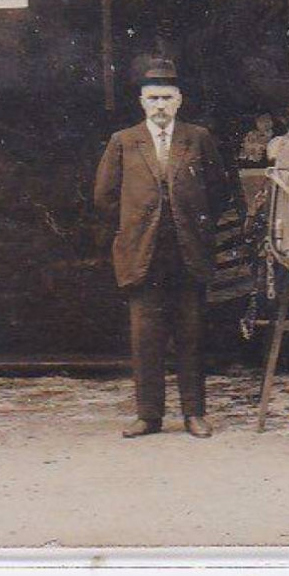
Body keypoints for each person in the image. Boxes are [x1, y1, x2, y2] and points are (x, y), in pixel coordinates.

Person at [93, 58, 232, 438]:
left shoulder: (197, 138)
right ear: (141, 101)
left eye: (166, 98)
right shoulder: (123, 141)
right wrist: (134, 228)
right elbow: (104, 197)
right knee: (145, 337)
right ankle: (148, 415)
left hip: (187, 252)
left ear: (179, 100)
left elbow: (218, 191)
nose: (159, 106)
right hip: (143, 254)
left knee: (191, 335)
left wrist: (192, 225)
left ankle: (194, 414)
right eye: (152, 98)